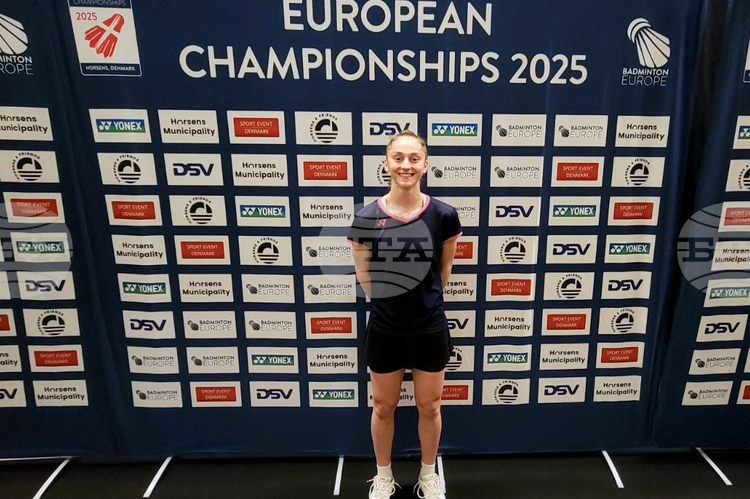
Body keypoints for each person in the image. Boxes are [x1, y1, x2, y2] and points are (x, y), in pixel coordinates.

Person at [347, 130, 462, 499]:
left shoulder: (444, 215)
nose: (406, 165)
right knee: (383, 407)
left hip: (429, 326)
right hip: (386, 328)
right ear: (386, 163)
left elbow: (443, 271)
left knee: (430, 406)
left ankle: (429, 474)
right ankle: (383, 476)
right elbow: (364, 275)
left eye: (414, 158)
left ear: (425, 164)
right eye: (398, 158)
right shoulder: (366, 217)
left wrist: (422, 301)